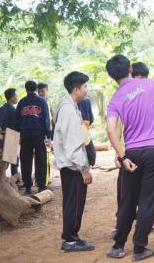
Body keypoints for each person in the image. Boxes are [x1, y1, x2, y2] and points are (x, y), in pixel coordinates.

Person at [105, 54, 154, 261]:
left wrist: (122, 157)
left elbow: (111, 131)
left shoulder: (115, 99)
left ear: (111, 76)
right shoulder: (150, 84)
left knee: (128, 200)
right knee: (149, 201)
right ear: (130, 67)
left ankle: (118, 246)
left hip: (132, 153)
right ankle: (139, 248)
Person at [53, 71, 95, 252]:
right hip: (73, 167)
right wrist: (84, 169)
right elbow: (73, 144)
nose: (87, 90)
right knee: (75, 202)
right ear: (76, 88)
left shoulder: (69, 106)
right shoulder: (69, 110)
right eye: (85, 86)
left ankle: (72, 236)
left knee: (73, 201)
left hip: (71, 165)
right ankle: (70, 239)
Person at [15, 81, 51, 194]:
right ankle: (41, 185)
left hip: (25, 134)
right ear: (36, 89)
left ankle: (27, 186)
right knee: (41, 159)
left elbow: (17, 120)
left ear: (26, 89)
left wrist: (18, 134)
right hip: (38, 133)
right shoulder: (42, 101)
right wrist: (48, 135)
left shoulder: (21, 102)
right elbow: (46, 119)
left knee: (25, 159)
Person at [0, 88, 20, 178]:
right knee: (14, 161)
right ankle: (15, 178)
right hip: (11, 136)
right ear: (12, 97)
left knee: (2, 161)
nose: (17, 98)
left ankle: (1, 177)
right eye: (16, 96)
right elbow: (15, 126)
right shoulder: (13, 110)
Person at [38, 82, 54, 187]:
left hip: (50, 131)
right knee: (44, 157)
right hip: (43, 132)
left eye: (42, 91)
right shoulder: (39, 102)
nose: (40, 93)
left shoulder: (48, 101)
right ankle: (44, 181)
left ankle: (46, 179)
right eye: (39, 91)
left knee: (47, 156)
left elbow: (51, 116)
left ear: (47, 90)